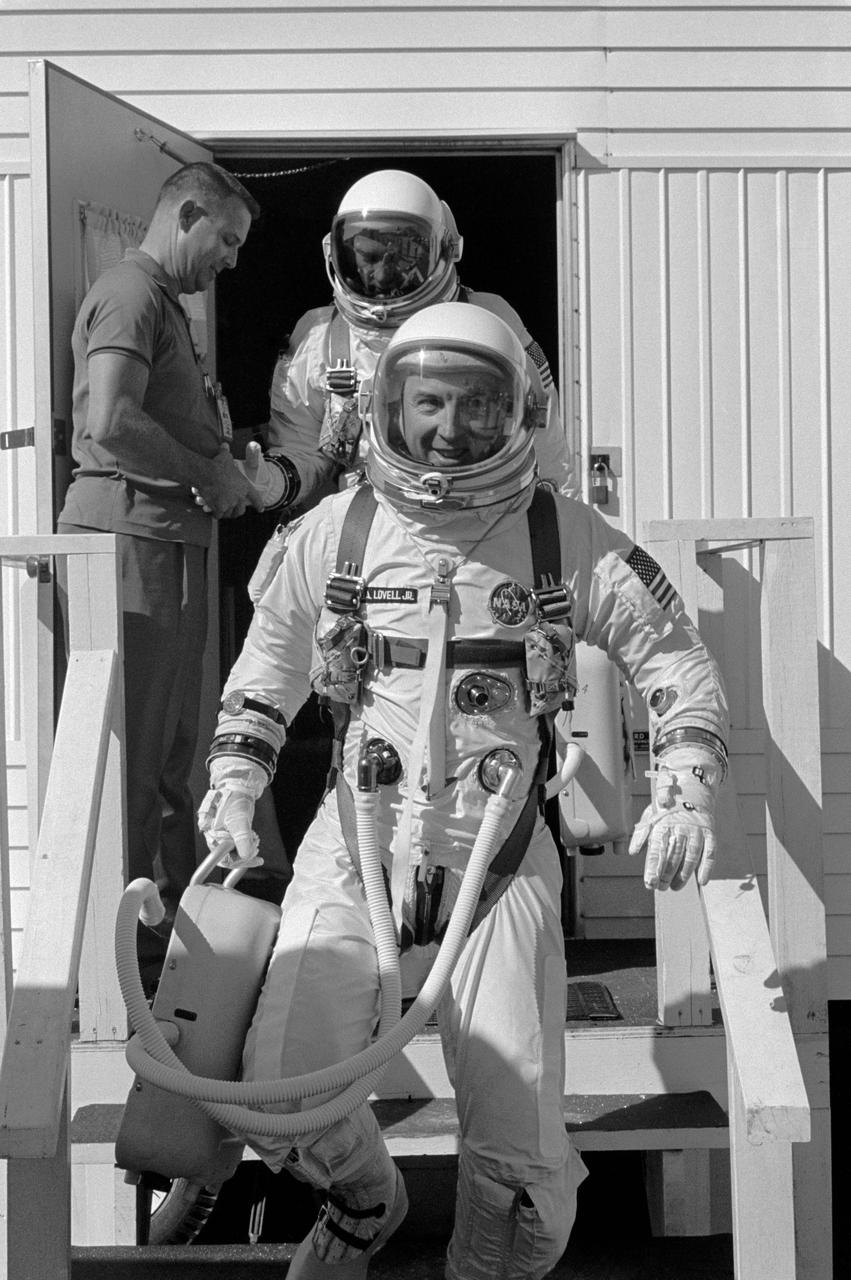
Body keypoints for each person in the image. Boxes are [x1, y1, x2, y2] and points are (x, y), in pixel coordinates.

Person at [197, 302, 729, 1280]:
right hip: (359, 844)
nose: (446, 429)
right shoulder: (340, 532)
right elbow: (266, 666)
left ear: (513, 414)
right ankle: (363, 1201)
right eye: (428, 402)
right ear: (390, 407)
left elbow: (672, 657)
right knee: (279, 1090)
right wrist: (236, 780)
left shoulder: (558, 534)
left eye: (473, 407)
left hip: (499, 857)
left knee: (525, 1177)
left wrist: (683, 784)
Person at [56, 160, 262, 993]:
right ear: (186, 215)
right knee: (137, 761)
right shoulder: (131, 292)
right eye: (227, 239)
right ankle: (127, 970)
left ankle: (177, 942)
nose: (232, 261)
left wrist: (223, 462)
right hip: (132, 545)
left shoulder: (164, 305)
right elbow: (108, 420)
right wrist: (206, 475)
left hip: (171, 544)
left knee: (175, 759)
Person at [234, 167, 578, 516]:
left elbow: (542, 438)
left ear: (444, 248)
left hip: (479, 520)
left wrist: (556, 523)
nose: (383, 274)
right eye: (368, 258)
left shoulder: (489, 321)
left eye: (401, 257)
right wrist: (268, 480)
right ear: (336, 251)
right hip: (372, 532)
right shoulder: (321, 336)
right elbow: (304, 451)